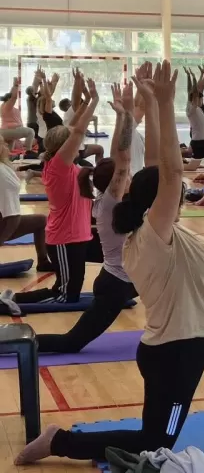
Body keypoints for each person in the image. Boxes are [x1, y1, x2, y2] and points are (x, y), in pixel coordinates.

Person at [15, 59, 204, 465]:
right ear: (160, 201)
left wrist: (146, 105)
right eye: (174, 193)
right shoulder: (150, 238)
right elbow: (171, 172)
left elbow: (159, 169)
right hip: (175, 353)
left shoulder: (158, 228)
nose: (181, 194)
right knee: (153, 443)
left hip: (203, 332)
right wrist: (164, 101)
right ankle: (60, 442)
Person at [32, 79, 146, 353]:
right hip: (78, 250)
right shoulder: (62, 170)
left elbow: (120, 159)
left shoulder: (93, 186)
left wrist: (125, 113)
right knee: (66, 299)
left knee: (72, 294)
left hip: (93, 248)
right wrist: (102, 105)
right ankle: (14, 321)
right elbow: (121, 160)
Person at [2, 74, 100, 307]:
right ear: (63, 148)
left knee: (70, 291)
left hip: (80, 236)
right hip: (64, 240)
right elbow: (76, 133)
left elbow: (74, 127)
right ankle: (12, 299)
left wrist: (86, 100)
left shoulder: (72, 166)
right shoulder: (57, 168)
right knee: (65, 295)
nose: (78, 145)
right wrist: (94, 100)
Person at [0, 137, 54, 272]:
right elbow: (9, 209)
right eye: (3, 143)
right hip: (6, 219)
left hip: (9, 218)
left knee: (41, 221)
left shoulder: (4, 166)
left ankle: (43, 261)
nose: (7, 145)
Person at [61, 69, 104, 163]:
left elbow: (87, 98)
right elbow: (75, 99)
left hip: (80, 147)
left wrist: (83, 88)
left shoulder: (76, 111)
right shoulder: (72, 111)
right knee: (88, 168)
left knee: (99, 149)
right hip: (73, 150)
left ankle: (99, 169)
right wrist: (77, 82)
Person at [0, 76, 36, 155]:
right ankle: (28, 151)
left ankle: (8, 161)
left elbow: (12, 96)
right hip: (10, 130)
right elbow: (14, 96)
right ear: (9, 99)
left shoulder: (5, 106)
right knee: (31, 131)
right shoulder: (7, 106)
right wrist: (16, 85)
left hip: (7, 131)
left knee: (8, 152)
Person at [185, 68, 204, 158]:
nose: (201, 99)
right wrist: (193, 77)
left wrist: (190, 76)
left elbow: (194, 89)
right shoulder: (192, 108)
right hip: (199, 141)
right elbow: (195, 91)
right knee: (197, 161)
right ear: (195, 98)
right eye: (198, 97)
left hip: (203, 139)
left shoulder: (196, 106)